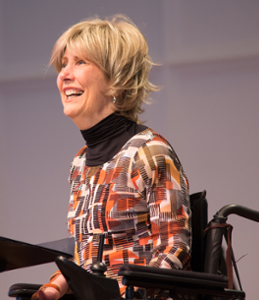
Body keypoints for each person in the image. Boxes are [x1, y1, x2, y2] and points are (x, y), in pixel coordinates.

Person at [32, 15, 191, 300]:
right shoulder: (79, 164)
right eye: (64, 64)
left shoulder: (148, 152)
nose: (64, 75)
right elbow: (84, 255)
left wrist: (125, 293)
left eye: (80, 62)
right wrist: (53, 288)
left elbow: (174, 249)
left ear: (117, 80)